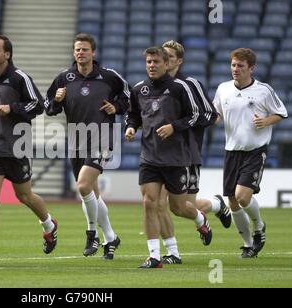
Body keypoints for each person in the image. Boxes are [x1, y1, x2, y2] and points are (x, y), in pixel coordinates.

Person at [0, 35, 58, 267]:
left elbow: (38, 105)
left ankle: (49, 225)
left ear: (7, 54)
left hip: (16, 148)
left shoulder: (20, 78)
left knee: (24, 196)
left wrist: (13, 108)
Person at [125, 46, 212, 269]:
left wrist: (174, 126)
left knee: (178, 207)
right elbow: (133, 115)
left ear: (166, 64)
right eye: (148, 62)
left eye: (156, 62)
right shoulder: (138, 89)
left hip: (176, 158)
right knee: (149, 203)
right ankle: (154, 256)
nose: (151, 65)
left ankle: (201, 219)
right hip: (149, 156)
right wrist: (131, 128)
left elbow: (196, 116)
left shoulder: (179, 88)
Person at [45, 33, 130, 259]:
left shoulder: (109, 77)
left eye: (84, 49)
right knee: (91, 193)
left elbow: (129, 98)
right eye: (77, 50)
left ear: (93, 52)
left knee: (83, 186)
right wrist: (57, 100)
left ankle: (92, 233)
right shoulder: (64, 78)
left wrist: (116, 107)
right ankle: (111, 237)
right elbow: (48, 107)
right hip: (76, 139)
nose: (80, 53)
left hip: (102, 137)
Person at [155, 40, 232, 265]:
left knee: (180, 208)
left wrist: (179, 125)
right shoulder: (154, 84)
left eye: (169, 57)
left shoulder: (190, 84)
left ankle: (216, 205)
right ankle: (172, 252)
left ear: (179, 61)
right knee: (156, 204)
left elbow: (210, 115)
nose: (164, 60)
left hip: (186, 153)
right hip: (159, 155)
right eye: (162, 56)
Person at [213, 48, 288, 258]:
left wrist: (265, 121)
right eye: (233, 65)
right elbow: (217, 113)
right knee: (232, 201)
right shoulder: (223, 89)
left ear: (251, 69)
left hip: (255, 150)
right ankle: (248, 245)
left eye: (240, 66)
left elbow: (281, 113)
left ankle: (259, 225)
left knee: (242, 197)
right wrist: (209, 122)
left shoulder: (263, 91)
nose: (235, 69)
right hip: (232, 150)